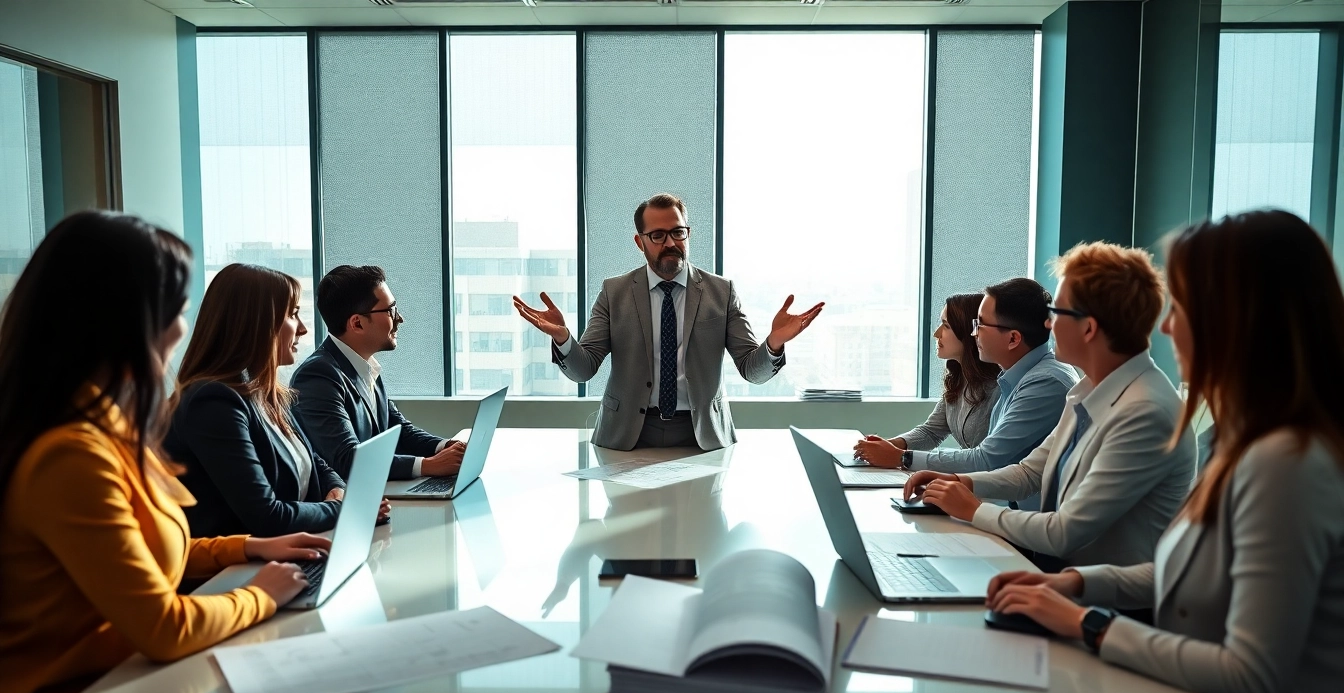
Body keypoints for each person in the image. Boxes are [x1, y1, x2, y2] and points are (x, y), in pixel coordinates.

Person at [985, 211, 1344, 693]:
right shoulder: (1240, 436)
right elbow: (1186, 570)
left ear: (1240, 319)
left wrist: (1087, 621)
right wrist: (1077, 584)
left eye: (1183, 307)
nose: (1169, 327)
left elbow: (1252, 678)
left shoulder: (1287, 462)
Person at [0, 212, 327, 693]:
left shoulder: (105, 424)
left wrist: (242, 547)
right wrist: (262, 596)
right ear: (129, 323)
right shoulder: (70, 456)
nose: (183, 327)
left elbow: (136, 553)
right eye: (177, 310)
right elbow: (162, 627)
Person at [906, 243, 1196, 572]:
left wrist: (972, 509)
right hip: (1065, 581)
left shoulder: (1145, 412)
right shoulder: (1088, 391)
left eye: (1056, 313)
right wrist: (960, 481)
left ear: (1088, 328)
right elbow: (1030, 472)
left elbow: (1065, 532)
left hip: (1108, 603)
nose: (1047, 325)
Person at [513, 193, 824, 451]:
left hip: (702, 434)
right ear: (640, 241)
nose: (670, 242)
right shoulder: (614, 292)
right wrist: (564, 339)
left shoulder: (721, 291)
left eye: (678, 232)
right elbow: (584, 369)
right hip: (628, 434)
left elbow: (751, 371)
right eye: (658, 236)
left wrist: (774, 343)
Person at [165, 264, 386, 538]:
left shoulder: (267, 392)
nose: (303, 329)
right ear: (256, 324)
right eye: (293, 315)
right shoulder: (213, 402)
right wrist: (348, 509)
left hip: (289, 551)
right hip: (234, 573)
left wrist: (337, 488)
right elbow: (267, 516)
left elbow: (315, 461)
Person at [857, 277, 1076, 510]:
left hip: (1025, 519)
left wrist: (903, 458)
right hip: (1006, 510)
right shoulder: (1013, 376)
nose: (974, 334)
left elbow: (987, 460)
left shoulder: (1044, 382)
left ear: (1013, 338)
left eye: (979, 325)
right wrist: (894, 452)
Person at [293, 265, 462, 481]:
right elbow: (347, 459)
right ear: (357, 323)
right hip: (348, 506)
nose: (399, 318)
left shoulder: (365, 364)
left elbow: (400, 430)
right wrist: (427, 466)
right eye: (391, 310)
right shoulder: (317, 376)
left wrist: (446, 447)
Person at [854, 293, 1000, 463]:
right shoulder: (959, 380)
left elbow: (984, 457)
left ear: (968, 332)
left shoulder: (999, 387)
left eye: (946, 325)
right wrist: (890, 445)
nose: (936, 334)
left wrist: (901, 457)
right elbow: (930, 432)